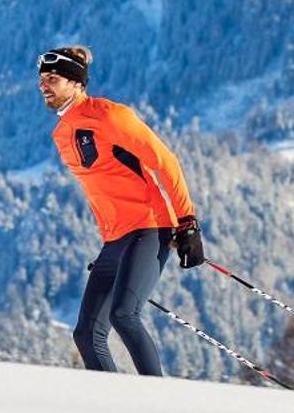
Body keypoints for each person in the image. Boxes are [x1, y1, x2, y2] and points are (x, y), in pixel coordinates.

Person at [38, 46, 202, 375]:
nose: (44, 85)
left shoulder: (110, 116)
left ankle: (157, 398)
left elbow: (164, 161)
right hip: (116, 239)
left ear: (76, 83)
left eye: (52, 79)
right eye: (41, 79)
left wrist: (187, 223)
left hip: (150, 226)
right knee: (86, 333)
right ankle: (117, 404)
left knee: (124, 314)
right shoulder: (62, 133)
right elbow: (102, 188)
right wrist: (108, 244)